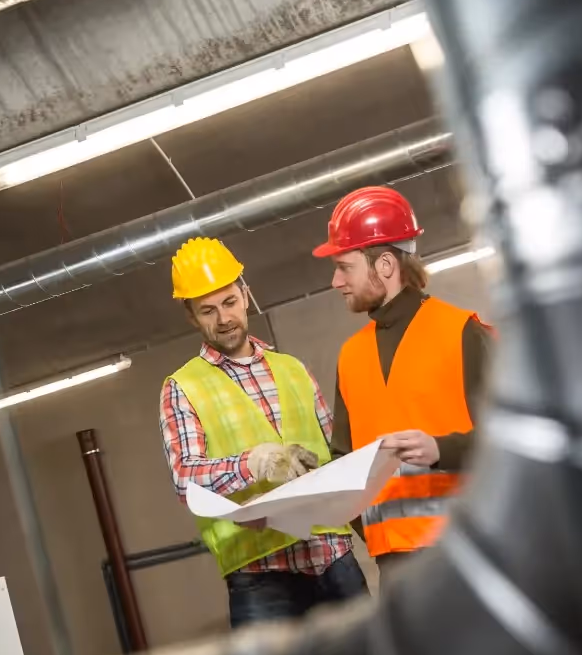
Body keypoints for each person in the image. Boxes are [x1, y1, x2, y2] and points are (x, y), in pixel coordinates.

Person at [159, 236, 367, 628]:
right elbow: (185, 480)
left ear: (246, 293)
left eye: (230, 302)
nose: (223, 318)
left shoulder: (292, 368)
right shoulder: (183, 387)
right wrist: (253, 464)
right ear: (190, 316)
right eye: (208, 310)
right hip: (259, 573)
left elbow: (336, 455)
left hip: (330, 554)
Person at [316, 185, 493, 573]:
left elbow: (513, 440)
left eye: (345, 267)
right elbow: (345, 461)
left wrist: (439, 450)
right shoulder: (350, 356)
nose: (336, 281)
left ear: (385, 265)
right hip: (394, 565)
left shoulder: (461, 331)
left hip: (468, 552)